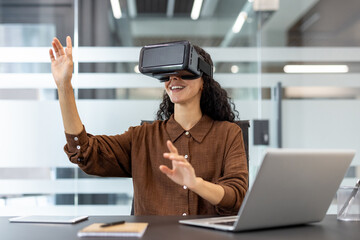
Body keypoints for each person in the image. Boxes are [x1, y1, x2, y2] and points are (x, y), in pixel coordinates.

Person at [49, 36, 248, 216]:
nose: (174, 79)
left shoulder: (228, 134)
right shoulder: (142, 138)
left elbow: (236, 197)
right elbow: (85, 151)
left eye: (184, 72)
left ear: (203, 80)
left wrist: (196, 183)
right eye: (167, 75)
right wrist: (64, 86)